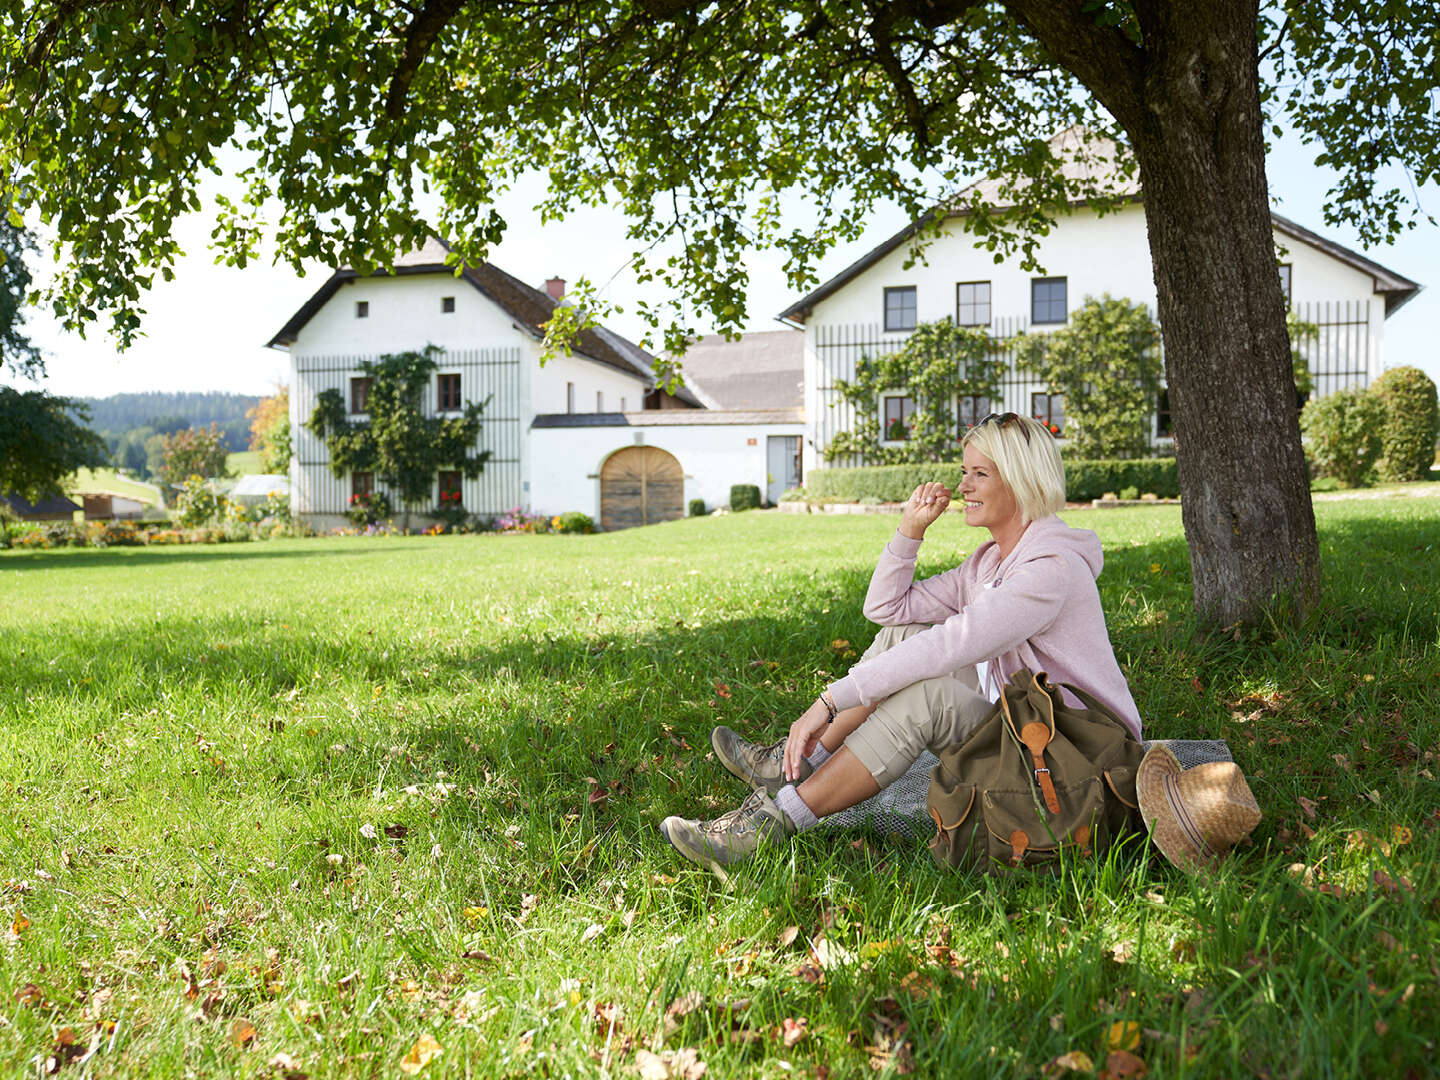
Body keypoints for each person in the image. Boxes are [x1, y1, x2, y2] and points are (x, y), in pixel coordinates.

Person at [660, 412, 1143, 872]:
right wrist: (910, 529)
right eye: (964, 471)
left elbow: (953, 644)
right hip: (1024, 724)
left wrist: (830, 701)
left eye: (980, 474)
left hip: (1073, 754)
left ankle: (769, 825)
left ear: (1019, 480)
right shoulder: (990, 563)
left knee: (927, 695)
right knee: (902, 636)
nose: (963, 487)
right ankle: (796, 765)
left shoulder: (1049, 568)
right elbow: (886, 611)